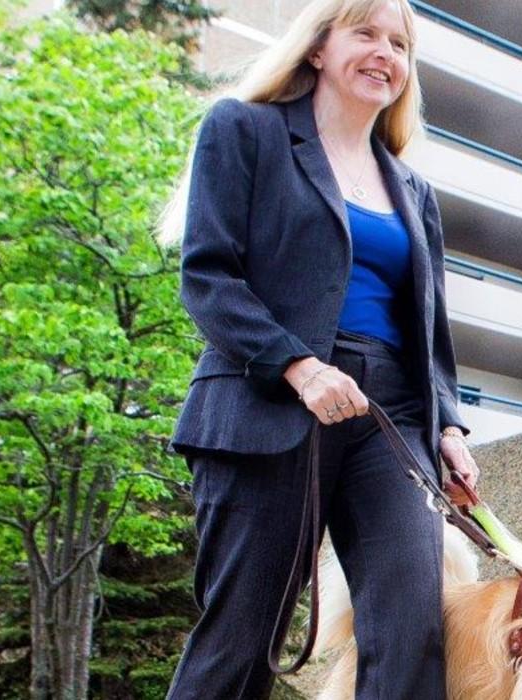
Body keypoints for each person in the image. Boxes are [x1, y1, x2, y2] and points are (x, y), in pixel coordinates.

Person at [156, 1, 478, 697]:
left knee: (411, 627)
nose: (384, 53)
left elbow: (430, 324)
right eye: (365, 33)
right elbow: (208, 276)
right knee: (242, 634)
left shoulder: (412, 189)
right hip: (268, 403)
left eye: (399, 43)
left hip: (390, 416)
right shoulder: (245, 130)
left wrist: (447, 426)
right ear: (316, 49)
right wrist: (299, 367)